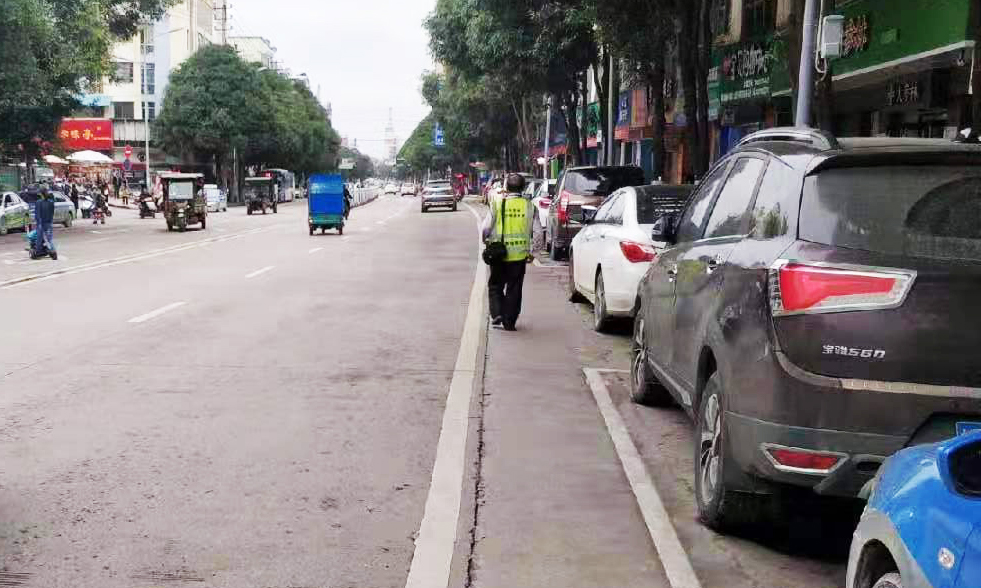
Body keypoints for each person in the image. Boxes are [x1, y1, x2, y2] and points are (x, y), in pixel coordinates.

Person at [482, 173, 535, 331]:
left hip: (498, 253)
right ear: (523, 187)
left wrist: (486, 240)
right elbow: (538, 233)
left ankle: (497, 313)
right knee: (514, 288)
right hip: (519, 255)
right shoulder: (529, 206)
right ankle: (509, 322)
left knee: (495, 285)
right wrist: (532, 252)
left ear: (506, 187)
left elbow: (486, 227)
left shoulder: (497, 203)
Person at [34, 188, 57, 260]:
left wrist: (39, 223)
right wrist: (50, 221)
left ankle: (38, 252)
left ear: (41, 194)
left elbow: (37, 214)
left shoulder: (38, 202)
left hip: (41, 224)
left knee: (39, 238)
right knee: (49, 239)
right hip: (49, 223)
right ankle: (53, 251)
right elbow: (52, 213)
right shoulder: (51, 202)